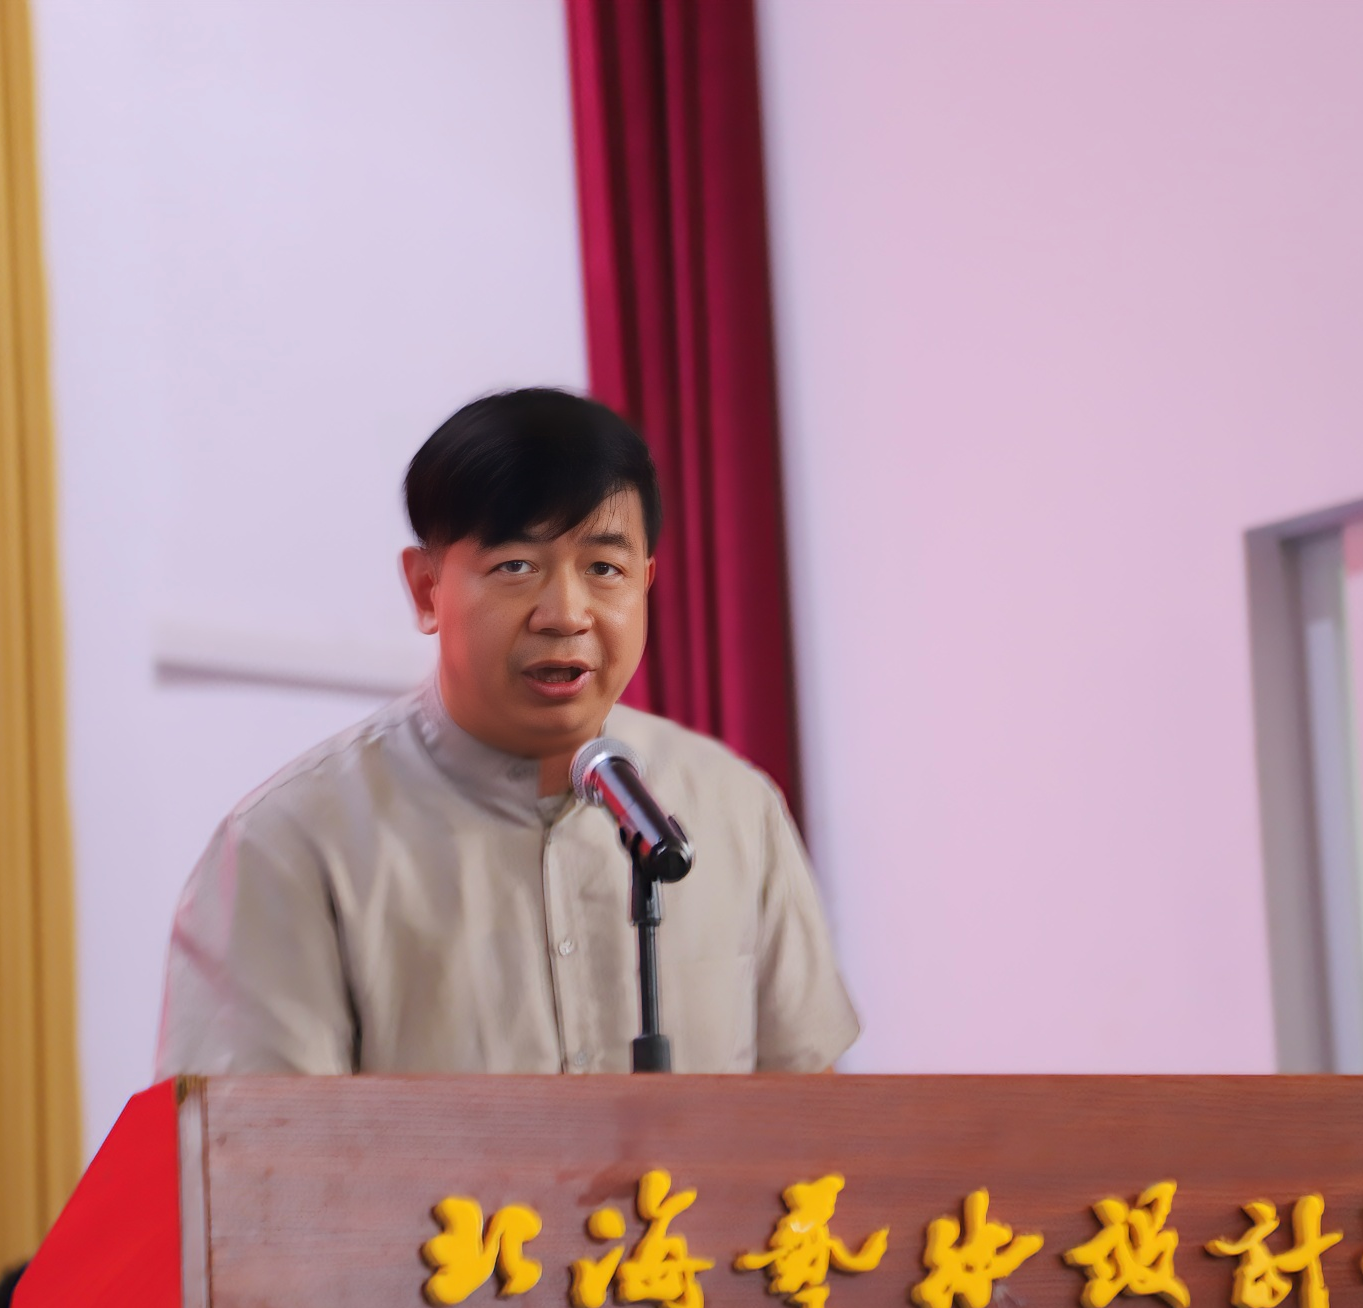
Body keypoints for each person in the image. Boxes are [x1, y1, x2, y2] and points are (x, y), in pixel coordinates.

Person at [153, 388, 857, 1077]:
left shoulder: (735, 809)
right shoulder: (292, 846)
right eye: (515, 566)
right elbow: (246, 1142)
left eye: (604, 569)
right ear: (427, 590)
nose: (566, 614)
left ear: (645, 582)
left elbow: (811, 1118)